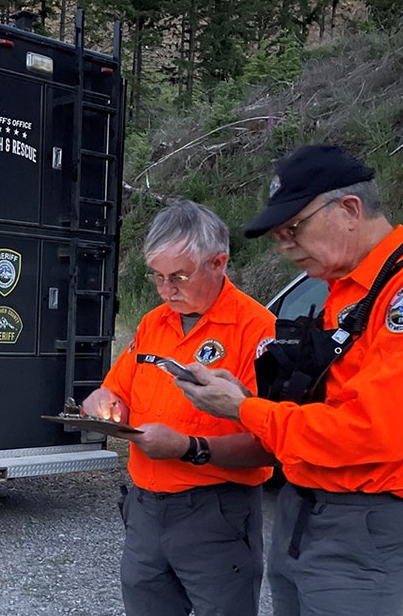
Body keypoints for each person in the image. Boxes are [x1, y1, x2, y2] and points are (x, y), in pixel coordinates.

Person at [177, 145, 403, 616]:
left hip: (362, 518)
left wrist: (243, 410)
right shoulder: (347, 289)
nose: (284, 245)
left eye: (293, 228)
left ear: (349, 209)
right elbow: (331, 403)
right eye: (278, 235)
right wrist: (246, 396)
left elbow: (373, 432)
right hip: (305, 507)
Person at [80, 198, 275, 616]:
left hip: (216, 513)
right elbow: (115, 392)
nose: (167, 290)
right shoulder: (154, 322)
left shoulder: (258, 331)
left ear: (218, 263)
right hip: (145, 511)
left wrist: (189, 447)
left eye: (179, 277)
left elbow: (270, 443)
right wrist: (102, 402)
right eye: (157, 278)